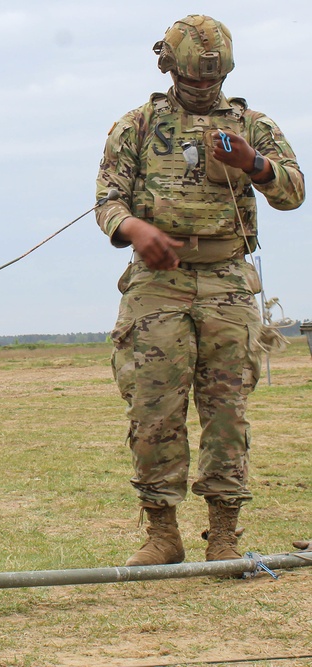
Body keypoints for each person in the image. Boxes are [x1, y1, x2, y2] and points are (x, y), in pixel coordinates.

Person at [94, 15, 304, 566]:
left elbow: (293, 192)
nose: (203, 89)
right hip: (157, 284)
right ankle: (163, 535)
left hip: (227, 280)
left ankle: (225, 535)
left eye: (213, 80)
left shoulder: (252, 124)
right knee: (153, 408)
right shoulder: (136, 126)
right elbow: (107, 202)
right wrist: (137, 230)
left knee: (226, 409)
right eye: (193, 79)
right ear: (170, 69)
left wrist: (253, 164)